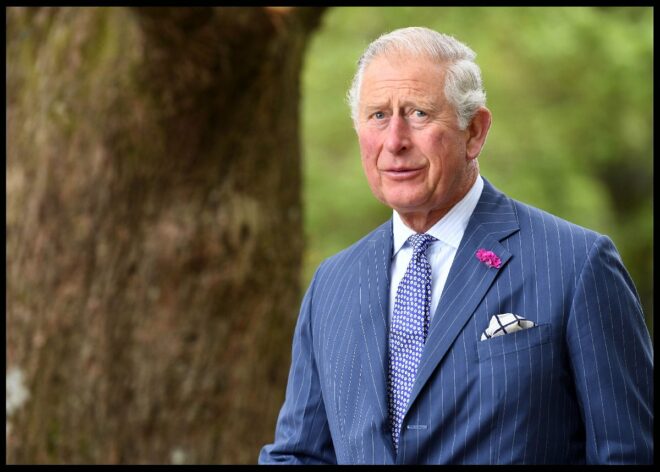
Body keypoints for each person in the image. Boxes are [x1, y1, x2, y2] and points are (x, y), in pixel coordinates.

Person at [258, 27, 653, 464]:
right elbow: (300, 454)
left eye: (419, 113)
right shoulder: (332, 284)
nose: (394, 141)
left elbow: (628, 454)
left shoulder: (577, 264)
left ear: (475, 132)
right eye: (378, 116)